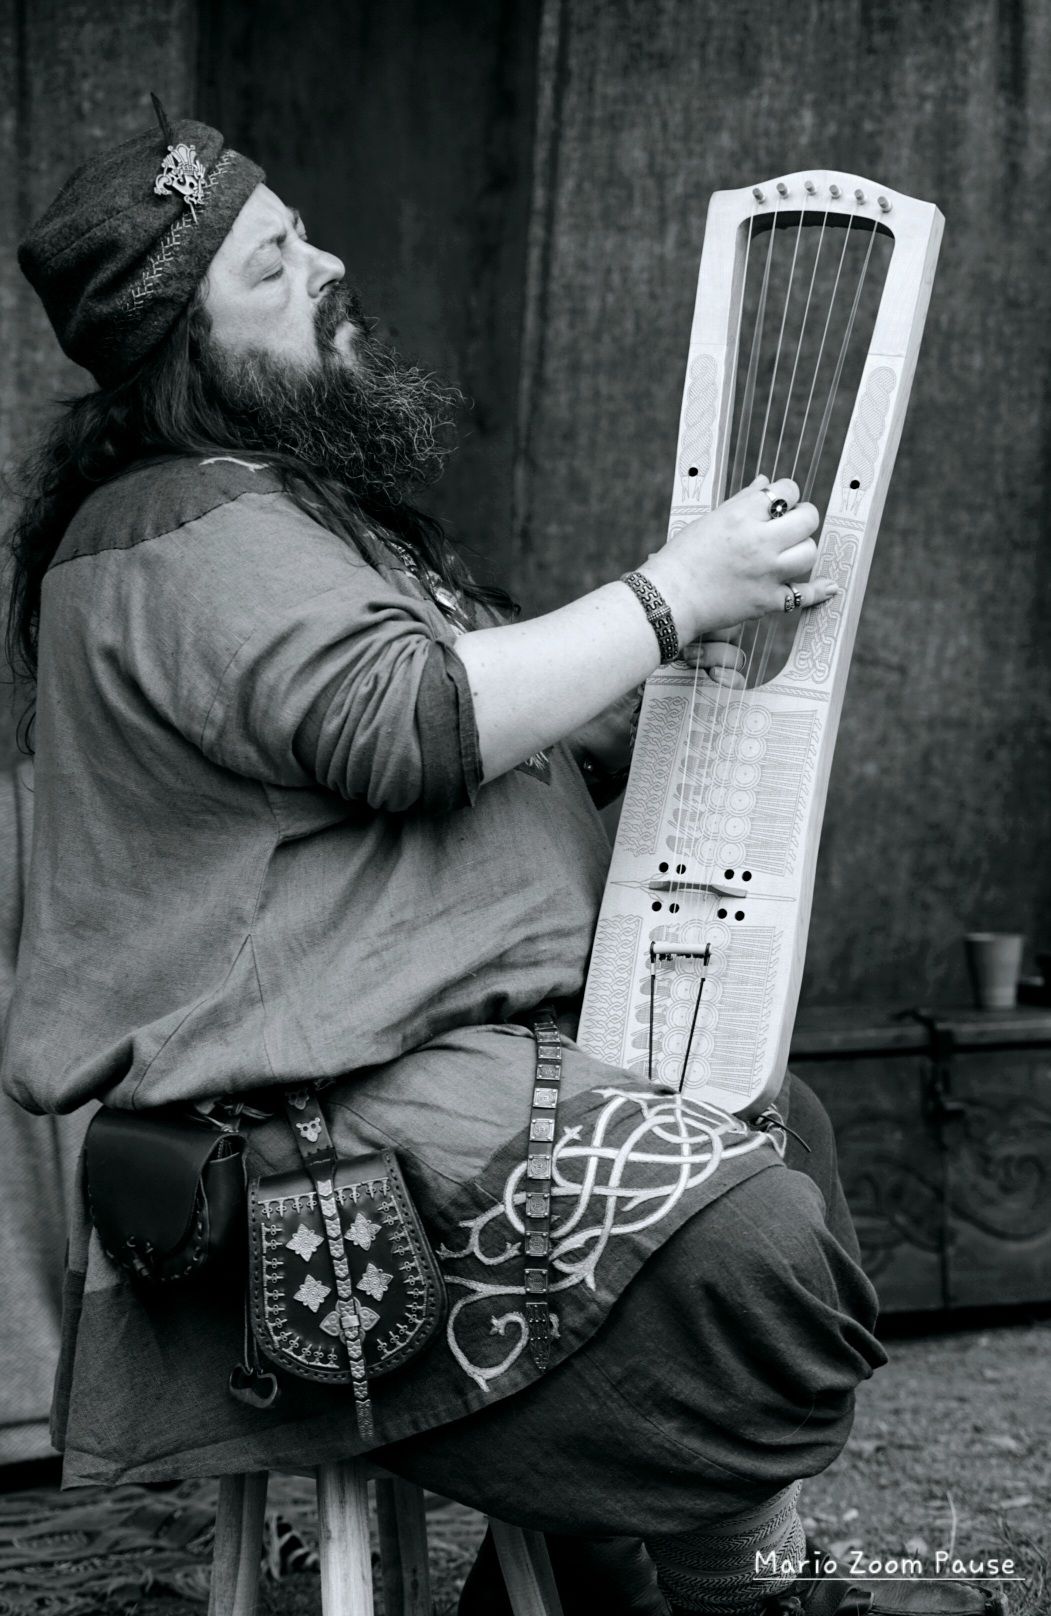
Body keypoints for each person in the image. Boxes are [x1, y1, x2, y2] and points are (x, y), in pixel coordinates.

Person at [0, 107, 1002, 1616]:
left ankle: (622, 1571)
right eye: (272, 266)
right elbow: (408, 722)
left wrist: (627, 708)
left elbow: (452, 722)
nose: (327, 266)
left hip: (455, 1058)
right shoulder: (179, 525)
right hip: (306, 1121)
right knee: (744, 1235)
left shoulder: (286, 503)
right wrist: (669, 596)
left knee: (780, 1123)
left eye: (300, 233)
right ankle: (731, 1592)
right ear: (183, 352)